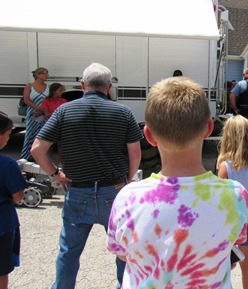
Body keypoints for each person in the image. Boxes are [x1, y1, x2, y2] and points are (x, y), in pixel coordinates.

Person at [106, 76, 248, 288]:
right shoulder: (235, 195)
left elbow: (122, 254)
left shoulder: (127, 198)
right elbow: (233, 246)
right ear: (209, 128)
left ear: (149, 136)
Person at [30, 63, 143, 289]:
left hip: (78, 191)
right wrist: (128, 182)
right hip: (113, 191)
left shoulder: (64, 111)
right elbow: (135, 154)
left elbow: (37, 149)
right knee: (123, 251)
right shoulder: (123, 113)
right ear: (109, 87)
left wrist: (55, 174)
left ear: (82, 85)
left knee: (69, 252)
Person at [216, 115, 248, 289]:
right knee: (247, 262)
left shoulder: (225, 166)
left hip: (229, 223)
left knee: (223, 262)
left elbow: (219, 200)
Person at [0, 112, 27, 289]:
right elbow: (18, 196)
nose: (8, 139)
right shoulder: (7, 164)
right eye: (8, 134)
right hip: (2, 224)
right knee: (1, 271)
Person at [21, 67, 49, 161]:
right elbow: (26, 100)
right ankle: (26, 156)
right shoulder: (29, 86)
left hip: (43, 115)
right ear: (38, 75)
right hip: (32, 114)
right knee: (30, 134)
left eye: (47, 74)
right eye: (44, 74)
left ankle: (39, 156)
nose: (46, 75)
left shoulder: (47, 87)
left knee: (42, 135)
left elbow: (49, 100)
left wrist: (43, 110)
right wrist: (37, 108)